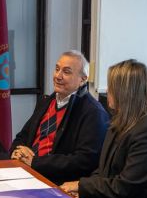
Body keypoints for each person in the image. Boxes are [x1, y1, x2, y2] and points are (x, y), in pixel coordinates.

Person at [61, 60, 147, 198]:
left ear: (125, 93)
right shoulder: (119, 124)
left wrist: (82, 186)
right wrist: (81, 187)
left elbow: (124, 187)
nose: (108, 92)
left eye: (112, 87)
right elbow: (102, 171)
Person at [10, 50, 109, 184]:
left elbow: (85, 161)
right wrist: (17, 152)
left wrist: (36, 162)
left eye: (66, 72)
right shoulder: (46, 102)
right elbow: (22, 136)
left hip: (55, 182)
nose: (58, 76)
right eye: (57, 69)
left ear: (83, 79)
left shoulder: (93, 112)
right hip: (25, 172)